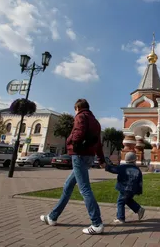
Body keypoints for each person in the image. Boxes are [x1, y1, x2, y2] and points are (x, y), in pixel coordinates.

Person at [40, 99, 106, 235]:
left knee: (85, 189)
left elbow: (78, 133)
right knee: (68, 186)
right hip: (88, 156)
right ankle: (52, 217)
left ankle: (97, 223)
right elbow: (98, 143)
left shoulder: (80, 116)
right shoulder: (95, 121)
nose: (74, 111)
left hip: (79, 155)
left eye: (74, 109)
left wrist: (70, 141)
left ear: (77, 108)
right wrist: (100, 159)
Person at [105, 152, 145, 223]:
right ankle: (139, 209)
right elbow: (140, 182)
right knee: (127, 200)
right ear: (134, 160)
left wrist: (107, 167)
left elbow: (114, 169)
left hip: (124, 188)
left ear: (126, 159)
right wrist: (139, 190)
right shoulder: (138, 170)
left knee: (120, 202)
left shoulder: (123, 167)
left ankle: (120, 218)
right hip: (132, 189)